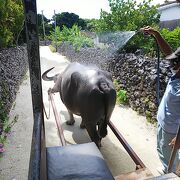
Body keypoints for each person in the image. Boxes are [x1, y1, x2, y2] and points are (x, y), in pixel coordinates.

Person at [141, 26, 180, 174]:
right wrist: (156, 34)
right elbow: (168, 52)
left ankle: (170, 174)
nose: (172, 63)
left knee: (168, 155)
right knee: (163, 149)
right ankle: (169, 168)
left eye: (176, 62)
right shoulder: (178, 73)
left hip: (173, 130)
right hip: (164, 123)